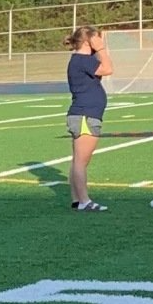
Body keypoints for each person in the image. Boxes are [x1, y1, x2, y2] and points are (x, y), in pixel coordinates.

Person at [64, 25, 113, 212]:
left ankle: (77, 199)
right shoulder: (82, 60)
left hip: (85, 114)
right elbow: (108, 69)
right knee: (80, 161)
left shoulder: (82, 60)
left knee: (78, 159)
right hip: (85, 114)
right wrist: (101, 49)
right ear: (88, 41)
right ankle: (84, 201)